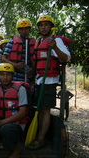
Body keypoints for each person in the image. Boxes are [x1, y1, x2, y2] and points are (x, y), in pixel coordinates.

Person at [28, 15, 71, 149]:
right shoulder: (39, 40)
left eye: (46, 25)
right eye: (41, 25)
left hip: (50, 80)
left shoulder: (56, 40)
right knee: (40, 109)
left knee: (45, 110)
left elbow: (66, 59)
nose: (43, 27)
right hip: (40, 80)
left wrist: (55, 48)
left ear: (51, 27)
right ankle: (41, 135)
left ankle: (40, 139)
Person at [2, 18, 36, 83]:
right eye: (21, 29)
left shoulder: (34, 43)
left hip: (28, 76)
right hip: (14, 76)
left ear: (29, 30)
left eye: (26, 28)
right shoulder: (12, 42)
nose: (24, 31)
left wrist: (33, 70)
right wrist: (15, 65)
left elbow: (36, 60)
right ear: (18, 30)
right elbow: (3, 59)